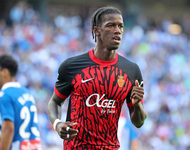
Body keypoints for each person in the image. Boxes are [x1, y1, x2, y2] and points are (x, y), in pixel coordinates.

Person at [47, 6, 147, 150]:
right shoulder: (72, 66)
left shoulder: (131, 71)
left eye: (120, 26)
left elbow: (139, 122)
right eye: (111, 25)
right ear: (96, 30)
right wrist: (57, 124)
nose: (117, 31)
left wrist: (137, 105)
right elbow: (55, 102)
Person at [0, 54, 42, 150]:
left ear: (4, 72)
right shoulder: (27, 93)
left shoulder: (4, 95)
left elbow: (8, 128)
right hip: (34, 146)